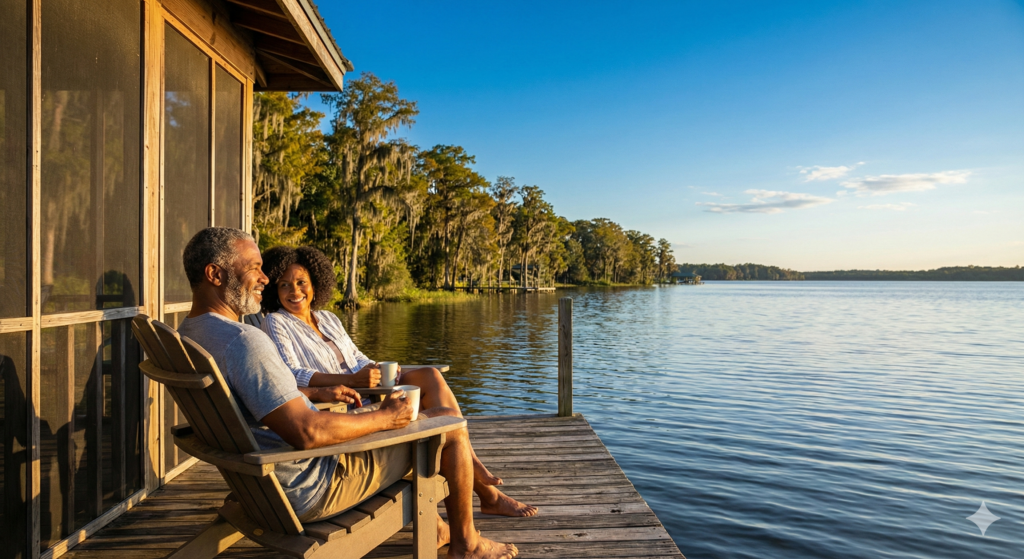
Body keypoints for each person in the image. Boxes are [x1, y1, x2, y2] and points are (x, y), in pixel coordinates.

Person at [176, 227, 518, 559]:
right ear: (215, 275)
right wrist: (385, 417)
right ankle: (467, 543)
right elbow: (307, 431)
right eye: (254, 268)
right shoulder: (244, 341)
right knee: (446, 430)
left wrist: (327, 394)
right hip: (311, 486)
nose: (264, 279)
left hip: (260, 486)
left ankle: (443, 528)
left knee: (431, 413)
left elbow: (277, 404)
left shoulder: (190, 334)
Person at [258, 245, 538, 518]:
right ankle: (485, 490)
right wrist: (352, 379)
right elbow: (292, 373)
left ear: (316, 283)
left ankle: (476, 471)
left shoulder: (328, 319)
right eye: (284, 285)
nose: (294, 291)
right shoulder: (276, 322)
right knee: (446, 423)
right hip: (348, 407)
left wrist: (374, 367)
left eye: (300, 282)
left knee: (430, 374)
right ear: (274, 290)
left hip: (369, 389)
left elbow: (356, 356)